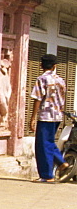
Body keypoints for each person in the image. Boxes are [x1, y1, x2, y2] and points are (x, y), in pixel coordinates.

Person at [29, 53, 69, 182]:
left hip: (46, 115)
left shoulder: (42, 79)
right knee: (49, 142)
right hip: (57, 115)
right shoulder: (60, 80)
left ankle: (46, 175)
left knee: (42, 145)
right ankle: (60, 161)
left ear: (41, 65)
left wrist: (33, 117)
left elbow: (38, 98)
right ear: (54, 66)